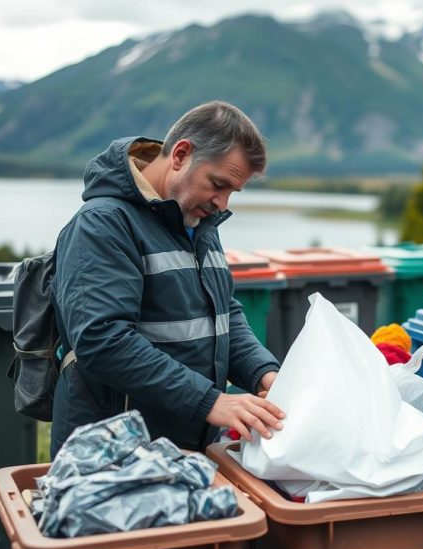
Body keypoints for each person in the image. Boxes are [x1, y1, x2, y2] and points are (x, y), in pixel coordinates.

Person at [49, 101, 285, 457]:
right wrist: (210, 402)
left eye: (232, 192)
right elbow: (102, 339)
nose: (222, 203)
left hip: (184, 449)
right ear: (181, 154)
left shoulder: (198, 221)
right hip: (112, 455)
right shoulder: (102, 224)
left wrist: (265, 373)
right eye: (218, 184)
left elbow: (224, 314)